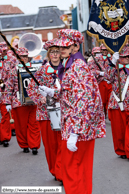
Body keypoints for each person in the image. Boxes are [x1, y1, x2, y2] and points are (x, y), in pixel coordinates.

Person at [39, 29, 106, 194]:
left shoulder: (77, 67)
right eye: (60, 46)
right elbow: (72, 94)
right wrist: (52, 92)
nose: (61, 50)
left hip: (77, 128)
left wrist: (75, 133)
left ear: (75, 47)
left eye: (65, 46)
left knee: (74, 171)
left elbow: (84, 102)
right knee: (77, 170)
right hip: (75, 126)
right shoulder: (71, 64)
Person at [27, 39, 62, 181]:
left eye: (57, 51)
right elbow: (31, 88)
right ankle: (55, 170)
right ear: (49, 53)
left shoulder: (66, 68)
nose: (54, 54)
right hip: (45, 113)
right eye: (52, 52)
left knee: (62, 143)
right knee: (50, 145)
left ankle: (61, 171)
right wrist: (39, 97)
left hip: (63, 110)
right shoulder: (41, 70)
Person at [5, 47, 41, 154]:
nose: (23, 58)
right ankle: (24, 144)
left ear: (28, 57)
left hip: (33, 101)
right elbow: (9, 87)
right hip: (19, 101)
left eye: (25, 56)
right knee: (21, 126)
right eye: (21, 56)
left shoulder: (35, 68)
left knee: (34, 124)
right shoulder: (13, 71)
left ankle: (34, 145)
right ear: (17, 57)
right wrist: (7, 102)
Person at [105, 44, 129, 159]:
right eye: (124, 56)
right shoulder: (114, 68)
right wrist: (112, 63)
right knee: (119, 130)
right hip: (117, 103)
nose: (126, 58)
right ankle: (121, 150)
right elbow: (107, 77)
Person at [88, 46, 112, 117]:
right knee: (103, 101)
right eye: (103, 50)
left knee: (110, 100)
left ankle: (111, 116)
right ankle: (103, 115)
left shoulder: (111, 59)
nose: (104, 51)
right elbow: (91, 71)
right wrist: (100, 73)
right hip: (101, 82)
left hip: (110, 82)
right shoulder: (92, 60)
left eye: (106, 50)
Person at [0, 42, 13, 147]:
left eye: (5, 50)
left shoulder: (10, 60)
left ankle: (4, 138)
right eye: (2, 50)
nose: (4, 52)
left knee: (5, 115)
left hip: (5, 91)